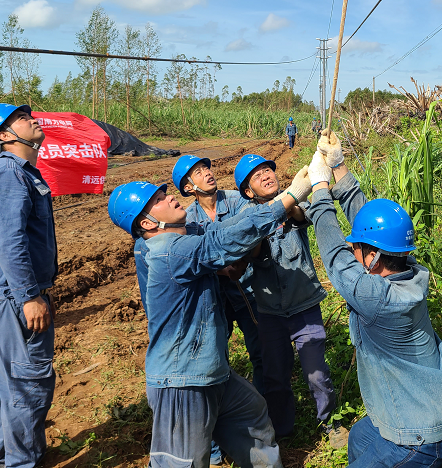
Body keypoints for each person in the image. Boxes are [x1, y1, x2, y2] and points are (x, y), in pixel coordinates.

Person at [107, 167, 313, 468]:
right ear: (148, 222)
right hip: (182, 380)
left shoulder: (188, 238)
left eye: (165, 193)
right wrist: (292, 196)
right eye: (158, 200)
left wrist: (281, 199)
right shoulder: (167, 250)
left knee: (254, 416)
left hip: (211, 371)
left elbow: (228, 229)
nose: (171, 198)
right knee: (182, 462)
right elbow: (223, 242)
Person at [306, 132, 442, 467]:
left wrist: (320, 190)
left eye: (357, 249)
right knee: (360, 438)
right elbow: (374, 228)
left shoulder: (378, 299)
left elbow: (334, 256)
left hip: (418, 438)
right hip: (420, 407)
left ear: (374, 258)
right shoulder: (411, 269)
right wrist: (339, 167)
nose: (352, 250)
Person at [0, 103, 57, 468]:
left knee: (8, 386)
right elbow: (11, 243)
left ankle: (5, 456)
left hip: (4, 296)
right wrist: (30, 297)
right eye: (23, 119)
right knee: (28, 384)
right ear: (5, 135)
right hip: (12, 298)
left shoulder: (20, 173)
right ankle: (22, 463)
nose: (34, 119)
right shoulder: (8, 176)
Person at [173, 154, 266, 468]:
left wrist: (239, 262)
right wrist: (218, 269)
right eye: (198, 172)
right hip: (214, 300)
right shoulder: (187, 219)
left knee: (261, 354)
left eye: (207, 168)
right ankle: (213, 445)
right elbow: (192, 257)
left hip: (248, 290)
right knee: (212, 366)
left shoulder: (237, 201)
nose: (207, 174)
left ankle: (263, 423)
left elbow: (253, 231)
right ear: (188, 186)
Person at [233, 154, 335, 440]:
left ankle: (330, 424)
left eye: (268, 170)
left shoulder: (293, 205)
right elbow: (246, 247)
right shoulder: (247, 219)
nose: (267, 176)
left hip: (304, 306)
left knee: (317, 375)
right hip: (270, 313)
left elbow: (303, 216)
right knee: (275, 377)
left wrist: (290, 201)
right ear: (248, 192)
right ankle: (281, 430)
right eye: (258, 175)